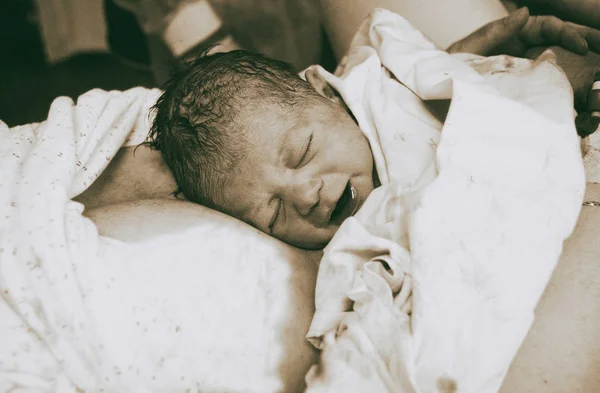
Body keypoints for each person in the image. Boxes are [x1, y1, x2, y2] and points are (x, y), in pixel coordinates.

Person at [146, 7, 600, 249]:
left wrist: (455, 70)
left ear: (326, 93)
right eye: (272, 215)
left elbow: (494, 83)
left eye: (303, 151)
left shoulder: (386, 84)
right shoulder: (363, 246)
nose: (304, 195)